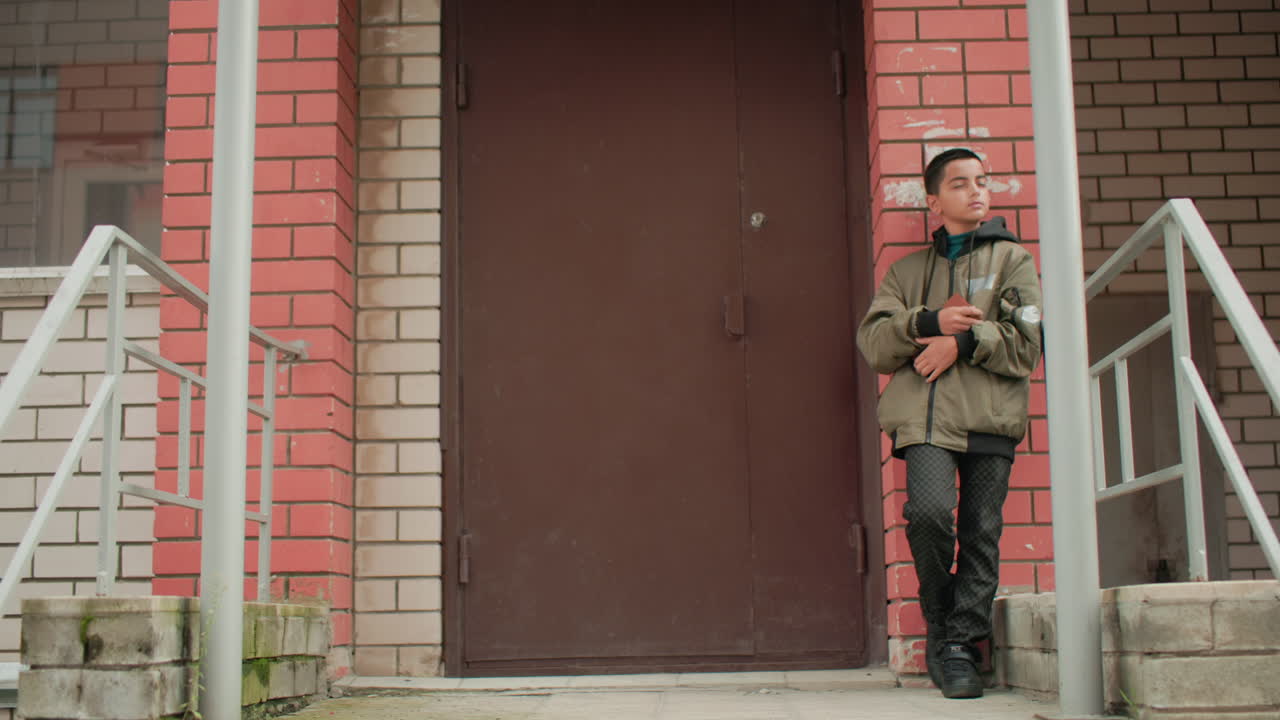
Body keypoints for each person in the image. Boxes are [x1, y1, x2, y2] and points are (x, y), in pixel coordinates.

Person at [856, 148, 1043, 699]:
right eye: (960, 184)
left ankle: (962, 644)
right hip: (925, 421)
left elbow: (1027, 345)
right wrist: (928, 321)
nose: (976, 191)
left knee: (981, 531)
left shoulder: (1012, 261)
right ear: (934, 201)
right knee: (930, 516)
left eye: (982, 181)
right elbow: (874, 344)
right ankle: (941, 622)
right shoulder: (906, 272)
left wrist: (960, 343)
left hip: (990, 418)